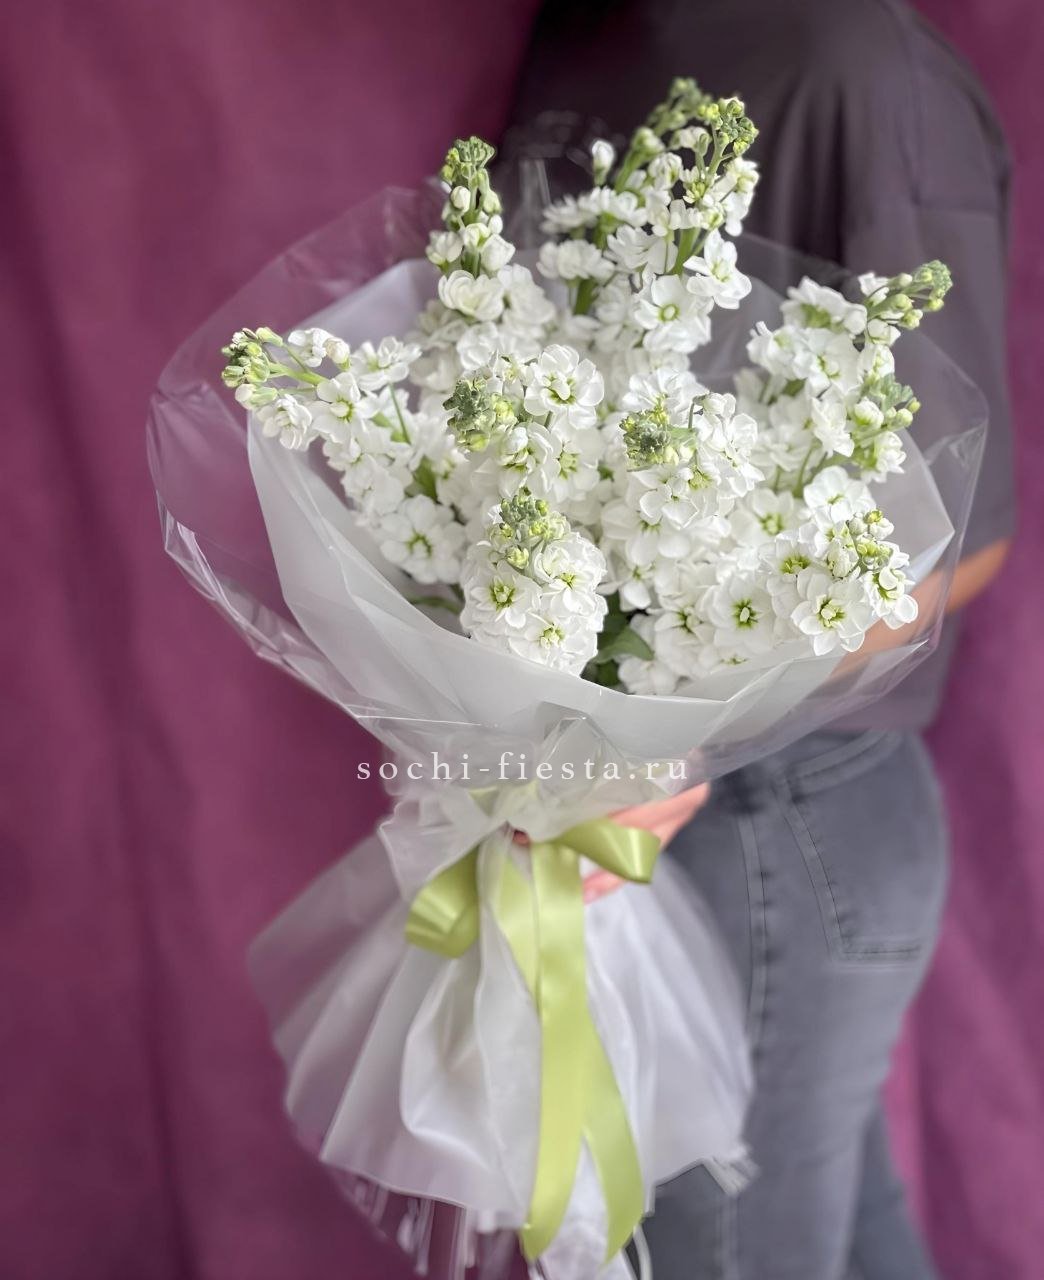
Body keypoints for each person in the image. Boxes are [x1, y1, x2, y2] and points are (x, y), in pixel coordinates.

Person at [501, 1, 1015, 1276]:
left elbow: (961, 538)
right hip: (617, 782)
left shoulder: (855, 71)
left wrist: (678, 730)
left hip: (777, 814)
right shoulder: (576, 36)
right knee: (835, 1234)